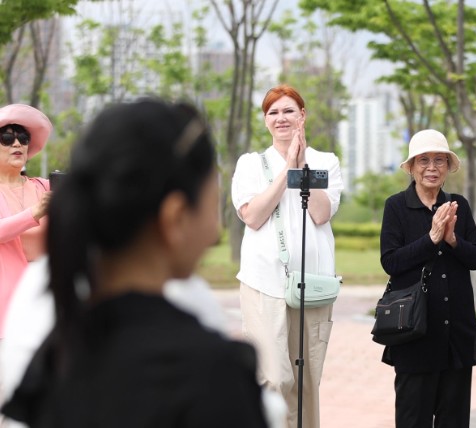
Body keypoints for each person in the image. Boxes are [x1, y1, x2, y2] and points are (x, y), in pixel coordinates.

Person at [1, 99, 268, 427]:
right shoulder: (211, 372)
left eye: (22, 137)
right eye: (211, 206)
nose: (215, 233)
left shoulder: (44, 365)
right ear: (175, 217)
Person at [231, 84, 343, 428]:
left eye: (288, 111)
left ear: (303, 116)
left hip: (315, 286)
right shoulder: (251, 163)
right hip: (264, 283)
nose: (281, 118)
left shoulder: (327, 161)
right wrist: (287, 170)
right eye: (273, 112)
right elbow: (252, 216)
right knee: (275, 378)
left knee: (307, 385)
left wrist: (304, 161)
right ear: (265, 120)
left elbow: (321, 214)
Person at [379, 129, 476, 427]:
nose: (432, 167)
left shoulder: (458, 205)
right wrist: (431, 238)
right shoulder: (396, 206)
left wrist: (453, 240)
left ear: (447, 166)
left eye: (439, 160)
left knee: (453, 420)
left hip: (456, 332)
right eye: (424, 160)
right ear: (412, 167)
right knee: (412, 418)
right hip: (414, 332)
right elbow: (390, 262)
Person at [0, 104, 52, 335]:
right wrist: (34, 213)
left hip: (47, 301)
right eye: (6, 138)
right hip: (6, 307)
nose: (17, 143)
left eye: (23, 137)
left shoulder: (45, 187)